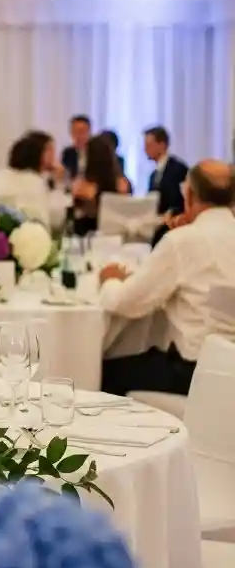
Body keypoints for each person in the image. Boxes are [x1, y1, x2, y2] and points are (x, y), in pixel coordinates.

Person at [99, 160, 235, 396]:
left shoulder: (183, 241)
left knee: (104, 371)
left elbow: (124, 303)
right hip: (225, 372)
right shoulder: (189, 239)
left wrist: (109, 279)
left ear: (189, 195)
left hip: (194, 373)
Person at [70, 133, 130, 237]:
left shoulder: (84, 185)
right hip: (116, 234)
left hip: (89, 235)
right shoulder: (122, 183)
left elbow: (77, 211)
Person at [0, 131, 58, 225]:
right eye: (50, 150)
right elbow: (51, 219)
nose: (54, 155)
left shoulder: (1, 175)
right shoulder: (34, 182)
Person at [144, 126, 188, 244]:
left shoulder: (178, 168)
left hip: (172, 227)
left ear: (162, 145)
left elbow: (182, 199)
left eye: (149, 145)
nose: (145, 149)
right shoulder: (153, 175)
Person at [61, 114, 91, 182]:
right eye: (75, 131)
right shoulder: (68, 153)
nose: (78, 136)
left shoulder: (97, 152)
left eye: (81, 131)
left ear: (89, 132)